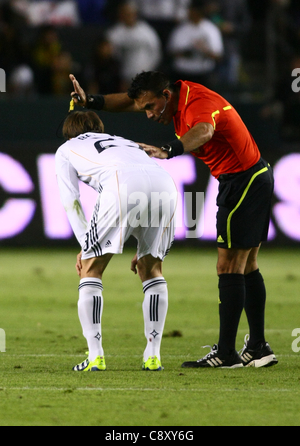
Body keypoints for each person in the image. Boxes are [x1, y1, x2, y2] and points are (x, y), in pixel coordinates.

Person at [69, 70, 278, 369]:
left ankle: (227, 353)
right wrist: (92, 101)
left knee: (228, 266)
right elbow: (129, 103)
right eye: (145, 109)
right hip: (253, 176)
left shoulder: (197, 102)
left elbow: (204, 131)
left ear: (166, 96)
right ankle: (258, 346)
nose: (148, 115)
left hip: (242, 181)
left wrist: (170, 149)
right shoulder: (169, 98)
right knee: (247, 266)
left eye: (151, 107)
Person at [55, 109, 177, 372]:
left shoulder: (66, 149)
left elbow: (71, 201)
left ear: (69, 134)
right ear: (99, 128)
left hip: (123, 184)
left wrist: (85, 246)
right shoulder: (123, 141)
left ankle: (96, 355)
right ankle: (153, 356)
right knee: (152, 268)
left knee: (91, 270)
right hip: (165, 185)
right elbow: (141, 178)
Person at [167, 0, 224, 87]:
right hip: (182, 73)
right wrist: (188, 51)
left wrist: (203, 49)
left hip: (203, 74)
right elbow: (171, 52)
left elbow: (218, 56)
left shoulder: (210, 29)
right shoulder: (181, 29)